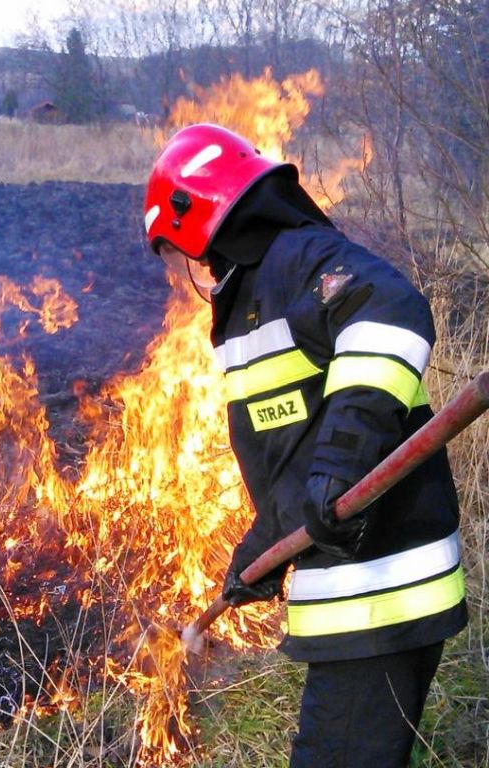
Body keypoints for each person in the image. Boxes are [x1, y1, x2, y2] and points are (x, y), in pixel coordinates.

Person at [142, 123, 468, 767]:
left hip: (380, 593)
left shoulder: (299, 260)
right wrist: (257, 560)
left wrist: (342, 460)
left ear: (193, 221)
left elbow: (391, 312)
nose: (194, 271)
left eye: (179, 251)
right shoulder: (254, 299)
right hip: (361, 597)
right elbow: (297, 461)